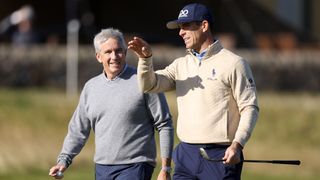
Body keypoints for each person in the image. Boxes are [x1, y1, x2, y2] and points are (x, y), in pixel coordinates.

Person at [128, 3, 259, 180]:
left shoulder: (234, 63)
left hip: (220, 154)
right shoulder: (181, 64)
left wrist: (237, 145)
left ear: (204, 26)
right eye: (180, 27)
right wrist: (145, 59)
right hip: (186, 153)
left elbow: (250, 107)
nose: (181, 32)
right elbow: (150, 85)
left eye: (186, 26)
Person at [49, 28, 174, 180]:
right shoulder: (91, 87)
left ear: (126, 53)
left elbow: (164, 123)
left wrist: (165, 168)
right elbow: (78, 129)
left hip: (136, 165)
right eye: (108, 52)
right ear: (98, 57)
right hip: (102, 168)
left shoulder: (144, 80)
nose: (114, 56)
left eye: (119, 51)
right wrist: (64, 160)